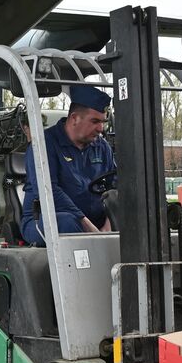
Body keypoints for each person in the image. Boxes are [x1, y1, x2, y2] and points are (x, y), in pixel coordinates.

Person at [20, 84, 116, 247]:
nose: (101, 128)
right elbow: (49, 192)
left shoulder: (102, 147)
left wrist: (110, 220)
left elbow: (115, 184)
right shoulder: (44, 145)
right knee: (67, 223)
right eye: (95, 121)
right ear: (74, 118)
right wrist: (89, 228)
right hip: (45, 219)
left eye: (103, 122)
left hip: (93, 221)